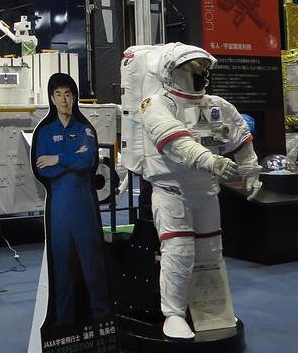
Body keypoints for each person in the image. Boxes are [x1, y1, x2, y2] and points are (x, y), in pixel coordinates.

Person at [139, 44, 262, 339]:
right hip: (172, 191)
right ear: (171, 71)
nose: (201, 73)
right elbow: (176, 142)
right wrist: (211, 161)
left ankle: (210, 308)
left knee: (210, 252)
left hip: (206, 191)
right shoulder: (156, 104)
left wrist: (251, 172)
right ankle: (173, 314)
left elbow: (240, 138)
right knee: (179, 252)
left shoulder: (216, 105)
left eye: (203, 67)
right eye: (192, 67)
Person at [33, 73, 111, 326]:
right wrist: (72, 158)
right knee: (62, 269)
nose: (64, 100)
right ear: (52, 98)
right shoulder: (44, 132)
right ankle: (63, 325)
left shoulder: (85, 128)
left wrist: (58, 158)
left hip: (84, 207)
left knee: (93, 267)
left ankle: (102, 321)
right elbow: (42, 169)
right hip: (58, 209)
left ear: (75, 97)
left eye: (68, 94)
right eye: (58, 95)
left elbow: (88, 160)